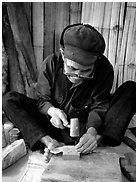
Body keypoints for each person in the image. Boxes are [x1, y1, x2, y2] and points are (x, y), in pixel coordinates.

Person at [3, 23, 136, 162]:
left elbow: (99, 106)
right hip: (53, 126)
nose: (77, 76)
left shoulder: (104, 69)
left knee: (131, 89)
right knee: (8, 99)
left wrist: (92, 132)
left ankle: (93, 141)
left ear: (96, 62)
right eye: (72, 69)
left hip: (85, 125)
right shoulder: (51, 63)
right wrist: (52, 111)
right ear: (62, 54)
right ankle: (49, 142)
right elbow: (42, 100)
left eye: (85, 72)